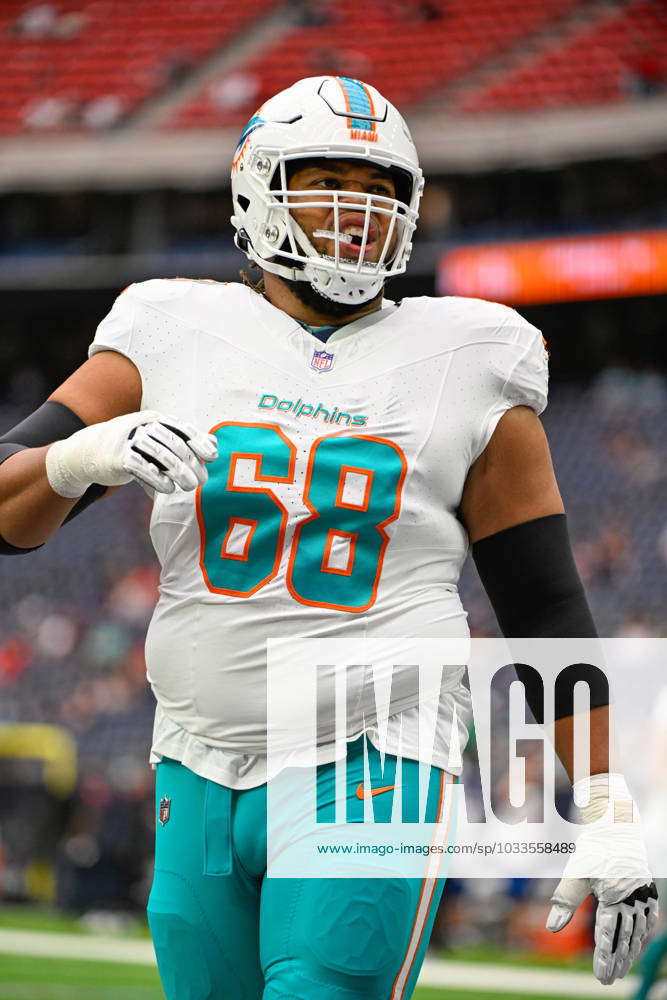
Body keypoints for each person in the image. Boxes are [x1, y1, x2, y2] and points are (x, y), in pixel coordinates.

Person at [0, 76, 658, 999]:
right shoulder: (170, 327)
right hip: (194, 753)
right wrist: (81, 456)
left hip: (374, 750)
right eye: (327, 179)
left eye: (383, 187)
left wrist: (606, 803)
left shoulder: (471, 354)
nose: (359, 209)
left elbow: (545, 603)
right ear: (257, 186)